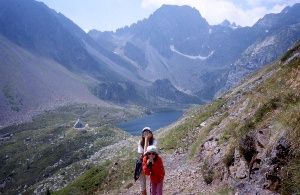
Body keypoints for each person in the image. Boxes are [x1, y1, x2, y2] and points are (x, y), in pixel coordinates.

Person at [138, 127, 157, 195]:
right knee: (142, 185)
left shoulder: (154, 141)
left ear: (151, 134)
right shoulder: (140, 142)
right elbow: (143, 155)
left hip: (152, 163)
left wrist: (146, 140)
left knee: (154, 181)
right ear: (142, 134)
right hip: (143, 164)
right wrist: (146, 140)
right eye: (144, 133)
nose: (146, 134)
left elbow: (148, 153)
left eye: (148, 132)